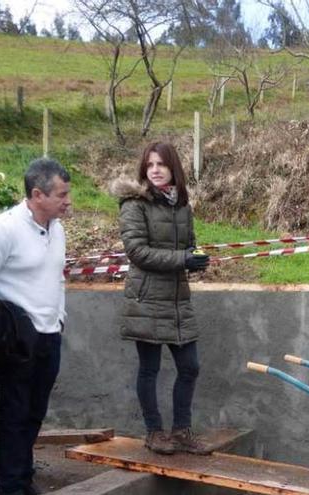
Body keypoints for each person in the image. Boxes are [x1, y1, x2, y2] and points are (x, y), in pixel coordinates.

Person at [0, 158, 71, 495]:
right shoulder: (2, 230)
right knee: (14, 412)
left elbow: (57, 278)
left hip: (49, 335)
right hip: (15, 340)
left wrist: (60, 318)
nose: (68, 201)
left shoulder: (57, 230)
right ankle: (11, 485)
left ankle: (22, 476)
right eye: (62, 194)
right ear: (37, 194)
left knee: (35, 412)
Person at [110, 142, 210, 455]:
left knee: (190, 366)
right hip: (147, 298)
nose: (155, 169)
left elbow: (188, 245)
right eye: (150, 164)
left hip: (178, 299)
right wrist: (183, 259)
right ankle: (154, 432)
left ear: (173, 169)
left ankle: (181, 431)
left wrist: (197, 257)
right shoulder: (133, 204)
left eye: (162, 164)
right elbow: (137, 252)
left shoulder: (182, 205)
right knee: (149, 368)